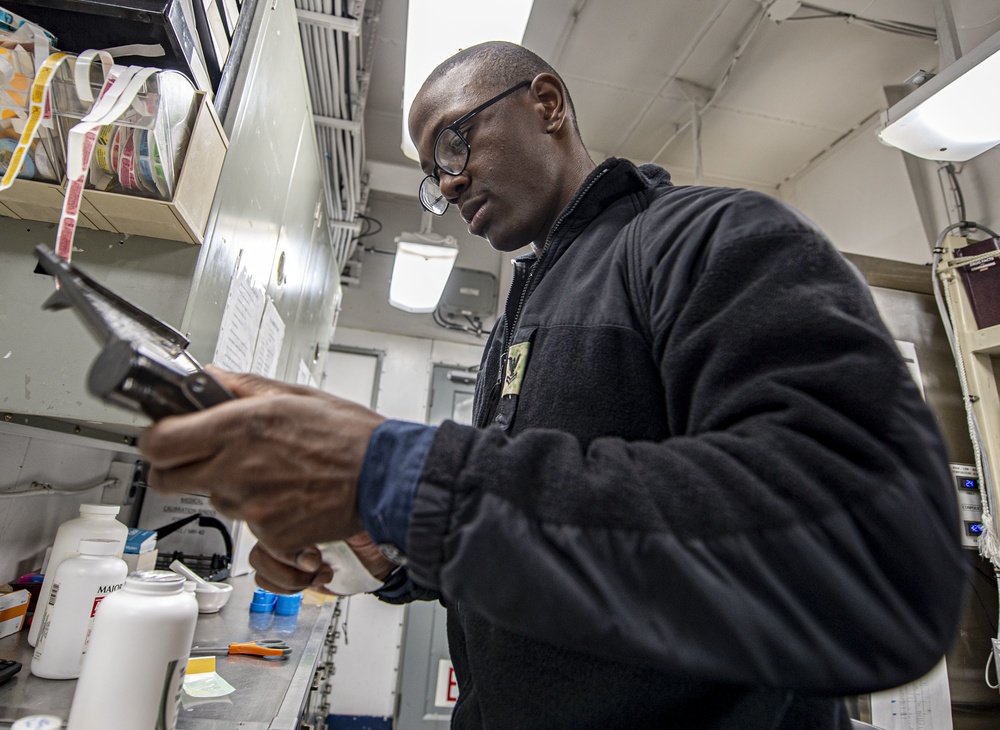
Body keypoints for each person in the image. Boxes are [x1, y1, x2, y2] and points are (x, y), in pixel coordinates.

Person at [140, 41, 966, 729]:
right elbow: (562, 532)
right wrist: (396, 548)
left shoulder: (710, 241)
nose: (449, 183)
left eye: (456, 143)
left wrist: (403, 478)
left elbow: (871, 557)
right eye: (434, 172)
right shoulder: (522, 315)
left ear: (546, 103)